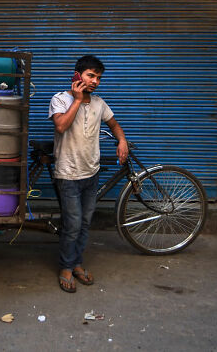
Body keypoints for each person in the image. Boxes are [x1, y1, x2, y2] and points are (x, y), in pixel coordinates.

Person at [48, 55, 128, 293]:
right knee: (72, 224)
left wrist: (121, 140)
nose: (95, 81)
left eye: (98, 78)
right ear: (77, 76)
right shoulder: (60, 99)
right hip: (68, 174)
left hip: (90, 173)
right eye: (90, 76)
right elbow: (61, 126)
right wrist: (78, 100)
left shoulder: (100, 104)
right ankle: (65, 267)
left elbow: (113, 124)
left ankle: (76, 263)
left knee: (84, 223)